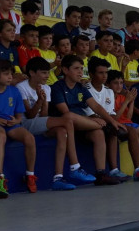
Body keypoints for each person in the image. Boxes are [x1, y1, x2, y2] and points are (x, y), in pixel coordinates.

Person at [17, 57, 96, 190]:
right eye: (43, 73)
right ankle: (75, 166)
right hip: (26, 124)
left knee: (62, 131)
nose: (47, 76)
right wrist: (39, 102)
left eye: (48, 73)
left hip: (41, 123)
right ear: (31, 73)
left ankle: (57, 178)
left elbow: (44, 116)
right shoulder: (21, 87)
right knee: (67, 119)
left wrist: (43, 102)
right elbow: (30, 115)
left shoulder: (47, 88)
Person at [50, 55, 123, 185]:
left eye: (81, 68)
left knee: (98, 134)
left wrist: (112, 121)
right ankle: (104, 127)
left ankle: (100, 174)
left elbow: (96, 106)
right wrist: (96, 121)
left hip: (84, 125)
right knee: (69, 116)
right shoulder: (57, 87)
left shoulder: (81, 88)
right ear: (65, 70)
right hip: (66, 124)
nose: (80, 72)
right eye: (76, 68)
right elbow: (65, 112)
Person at [0, 59, 38, 192]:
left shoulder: (14, 91)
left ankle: (30, 175)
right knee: (0, 136)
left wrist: (16, 121)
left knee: (29, 138)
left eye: (11, 73)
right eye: (6, 74)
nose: (10, 76)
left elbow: (19, 116)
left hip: (11, 125)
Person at [84, 57, 131, 181]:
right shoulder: (86, 89)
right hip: (88, 125)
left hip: (104, 122)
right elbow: (91, 114)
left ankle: (114, 170)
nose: (104, 76)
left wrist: (112, 122)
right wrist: (110, 120)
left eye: (106, 73)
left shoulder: (109, 91)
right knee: (106, 129)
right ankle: (101, 172)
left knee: (115, 130)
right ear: (91, 74)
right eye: (100, 73)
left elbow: (112, 115)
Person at [107, 70, 139, 179]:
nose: (119, 86)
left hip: (127, 123)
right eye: (116, 83)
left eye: (121, 83)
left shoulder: (122, 97)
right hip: (119, 124)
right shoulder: (108, 97)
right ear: (108, 84)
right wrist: (127, 101)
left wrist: (131, 101)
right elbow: (115, 117)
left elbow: (128, 117)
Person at [0, 19, 27, 85]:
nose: (13, 33)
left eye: (14, 30)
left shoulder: (13, 49)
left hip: (11, 76)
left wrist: (19, 74)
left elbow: (16, 66)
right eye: (9, 30)